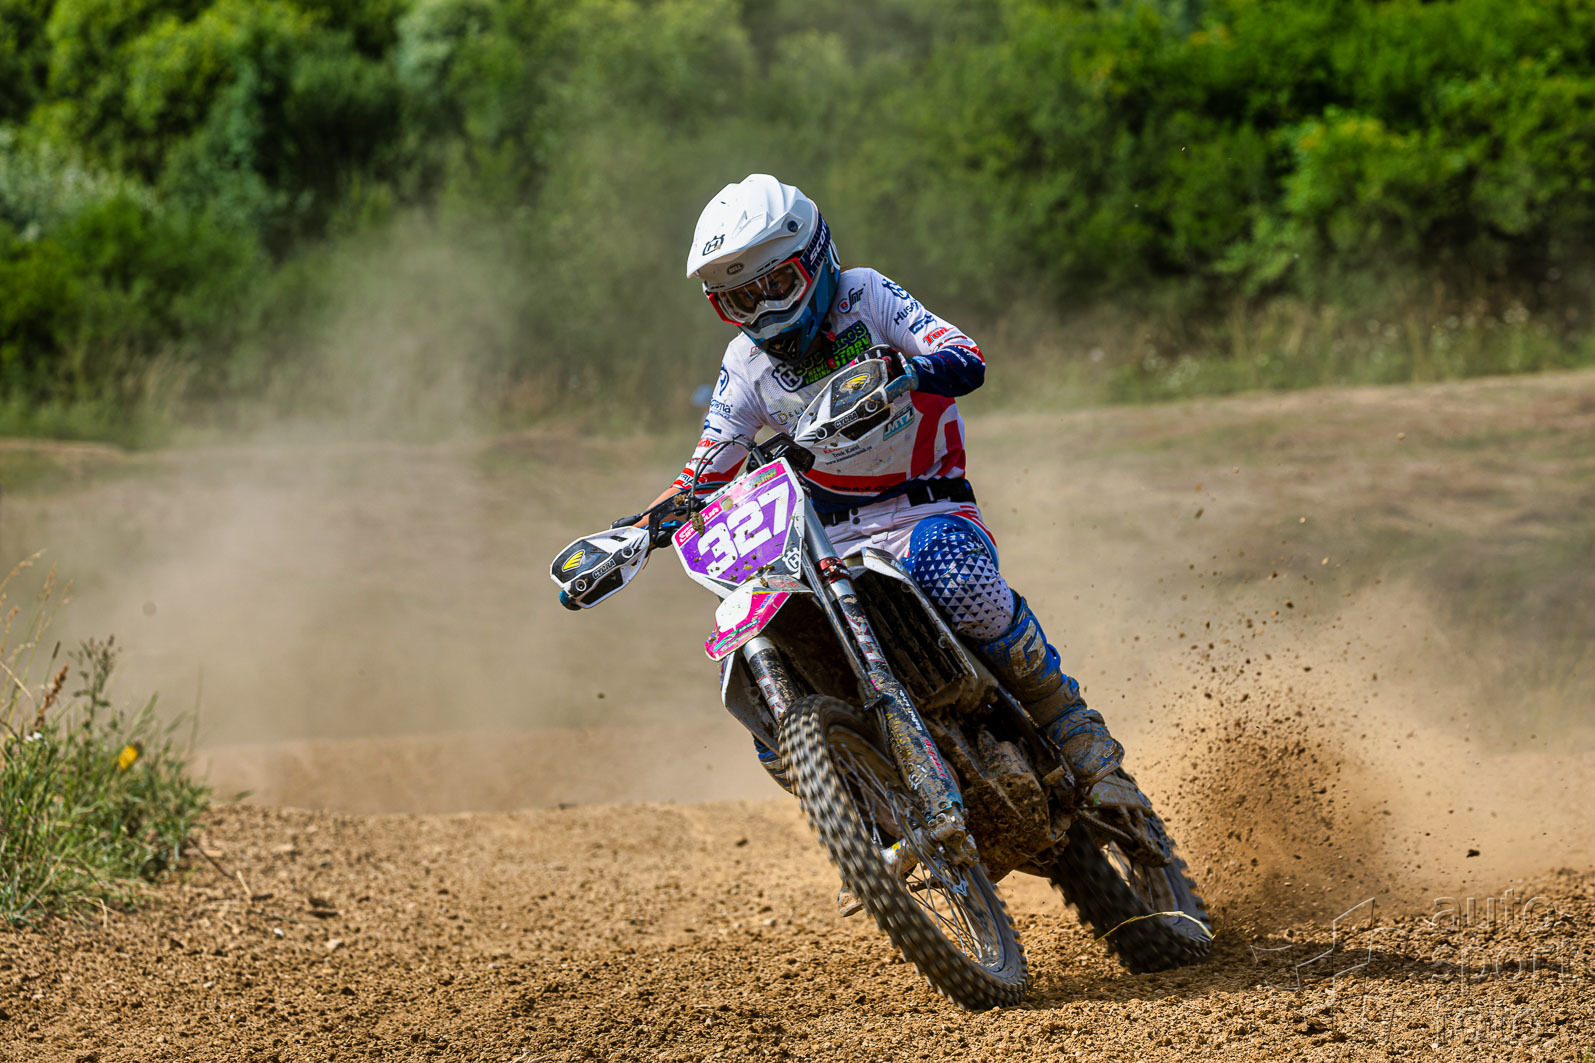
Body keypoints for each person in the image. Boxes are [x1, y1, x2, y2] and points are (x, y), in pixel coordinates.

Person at [639, 173, 1122, 800]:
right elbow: (705, 470)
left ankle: (1072, 724)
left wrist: (908, 369)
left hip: (924, 510)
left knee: (955, 576)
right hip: (819, 543)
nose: (762, 312)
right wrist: (632, 533)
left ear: (815, 259)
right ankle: (858, 810)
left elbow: (965, 356)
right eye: (740, 301)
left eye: (776, 286)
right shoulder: (745, 364)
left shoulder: (865, 296)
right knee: (761, 654)